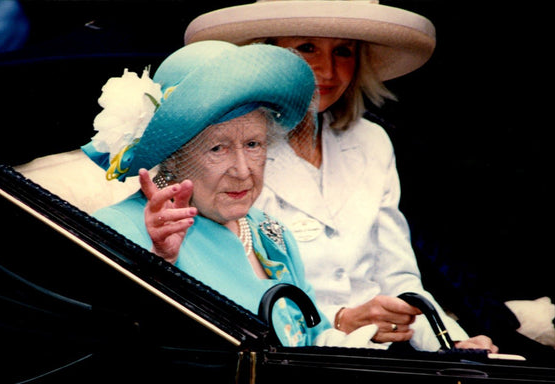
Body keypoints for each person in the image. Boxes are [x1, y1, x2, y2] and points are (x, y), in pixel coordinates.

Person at [184, 0, 498, 353]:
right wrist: (339, 319)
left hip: (385, 361)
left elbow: (398, 276)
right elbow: (235, 286)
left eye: (344, 52)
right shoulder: (235, 150)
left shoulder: (372, 141)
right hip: (285, 359)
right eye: (306, 48)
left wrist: (448, 340)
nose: (329, 71)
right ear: (266, 57)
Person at [82, 40, 380, 347]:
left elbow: (313, 336)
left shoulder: (272, 233)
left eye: (253, 144)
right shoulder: (122, 228)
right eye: (217, 148)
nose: (242, 170)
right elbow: (119, 350)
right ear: (173, 156)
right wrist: (160, 265)